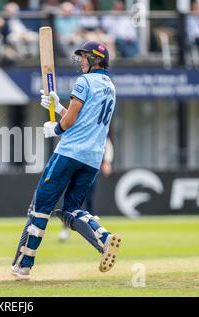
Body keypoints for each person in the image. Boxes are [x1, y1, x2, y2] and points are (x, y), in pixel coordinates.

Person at [11, 41, 121, 280]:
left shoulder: (84, 81)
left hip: (69, 153)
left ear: (96, 60)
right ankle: (104, 238)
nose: (81, 61)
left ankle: (23, 264)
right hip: (92, 159)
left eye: (84, 57)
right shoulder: (110, 86)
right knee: (71, 209)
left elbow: (70, 123)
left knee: (40, 208)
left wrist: (56, 129)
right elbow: (82, 119)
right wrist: (59, 107)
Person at [58, 136, 113, 241]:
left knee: (89, 199)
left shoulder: (97, 128)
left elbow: (106, 142)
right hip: (76, 166)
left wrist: (107, 161)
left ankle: (94, 230)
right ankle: (65, 229)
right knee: (70, 199)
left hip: (91, 167)